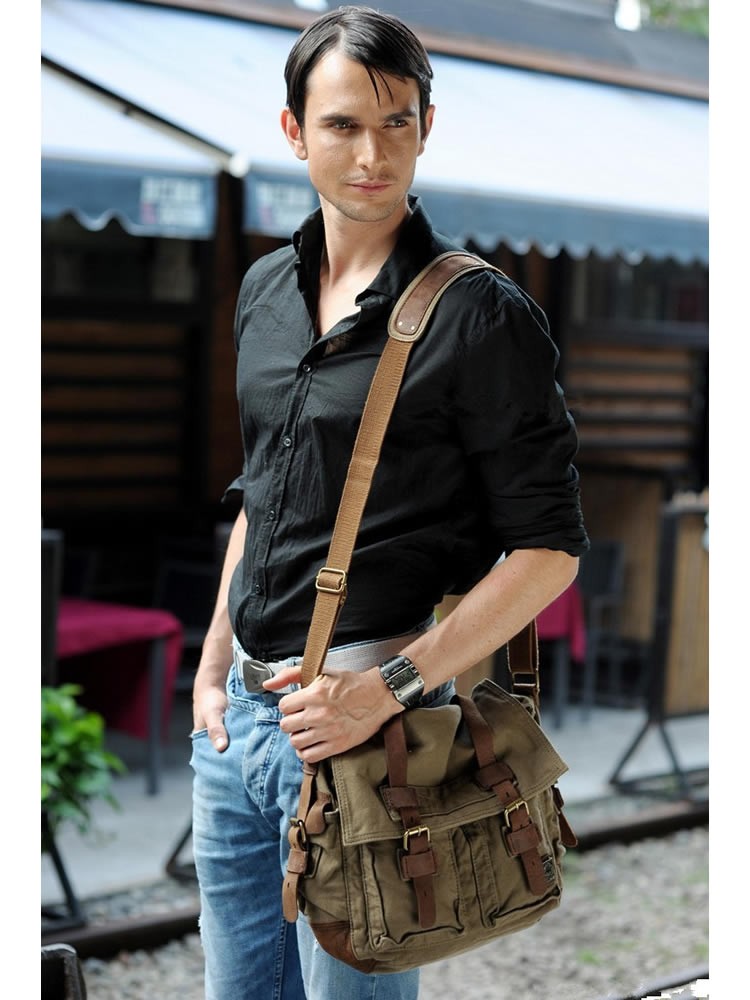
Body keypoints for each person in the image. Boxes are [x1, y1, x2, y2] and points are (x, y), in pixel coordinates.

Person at [190, 6, 589, 999]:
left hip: (372, 736)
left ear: (426, 126)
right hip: (237, 728)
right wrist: (212, 670)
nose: (373, 155)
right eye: (342, 125)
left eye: (396, 122)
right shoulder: (264, 291)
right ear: (295, 131)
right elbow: (264, 493)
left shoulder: (481, 314)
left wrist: (391, 689)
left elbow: (549, 549)